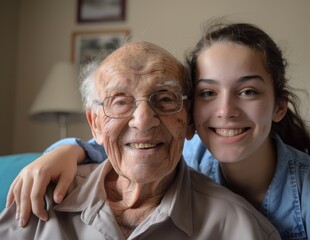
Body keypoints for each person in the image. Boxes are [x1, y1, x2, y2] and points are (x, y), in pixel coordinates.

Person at [7, 22, 310, 239]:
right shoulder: (185, 149)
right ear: (193, 116)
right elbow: (127, 145)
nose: (225, 111)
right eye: (208, 93)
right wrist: (63, 150)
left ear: (280, 105)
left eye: (248, 91)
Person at [0, 41, 281, 239]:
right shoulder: (38, 199)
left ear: (189, 122)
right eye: (120, 102)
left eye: (165, 99)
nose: (143, 120)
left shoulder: (240, 228)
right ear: (95, 124)